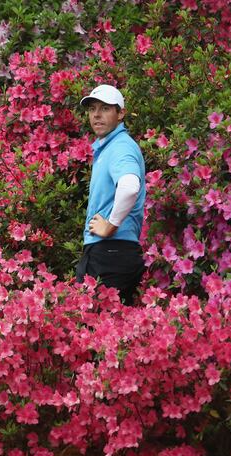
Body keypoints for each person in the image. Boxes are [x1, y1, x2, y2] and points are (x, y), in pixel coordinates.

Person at [75, 84, 146, 304]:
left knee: (96, 330)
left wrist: (110, 224)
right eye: (92, 109)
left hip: (111, 252)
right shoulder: (110, 147)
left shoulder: (120, 147)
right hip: (110, 252)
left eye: (105, 108)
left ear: (121, 113)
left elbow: (129, 186)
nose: (96, 114)